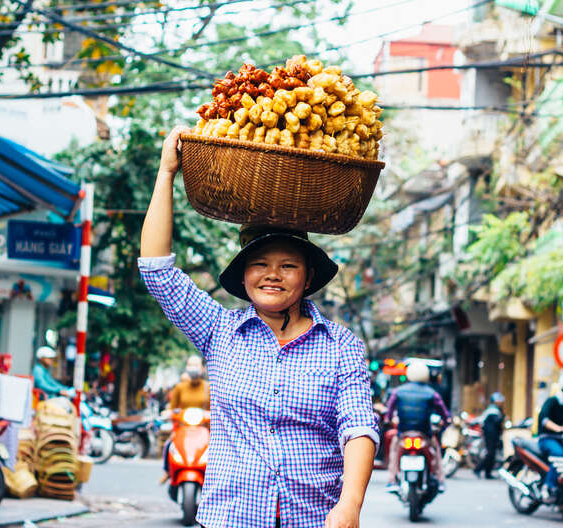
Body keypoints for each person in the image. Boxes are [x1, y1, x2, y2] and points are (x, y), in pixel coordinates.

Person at [139, 127, 378, 528]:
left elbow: (358, 427)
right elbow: (156, 270)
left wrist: (350, 504)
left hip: (313, 520)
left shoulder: (342, 346)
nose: (272, 276)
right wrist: (166, 174)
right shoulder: (219, 330)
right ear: (244, 275)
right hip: (229, 519)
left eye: (288, 266)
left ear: (307, 277)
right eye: (260, 265)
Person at [384, 360, 450, 492]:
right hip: (424, 434)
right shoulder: (432, 393)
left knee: (394, 451)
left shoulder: (398, 392)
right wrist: (446, 421)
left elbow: (388, 412)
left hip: (403, 433)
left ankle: (391, 480)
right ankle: (440, 479)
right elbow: (444, 413)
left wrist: (388, 420)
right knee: (435, 451)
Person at [536, 373, 563, 501]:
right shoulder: (552, 401)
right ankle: (549, 487)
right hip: (546, 439)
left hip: (559, 440)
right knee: (559, 454)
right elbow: (544, 420)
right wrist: (561, 428)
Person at [474, 392, 505, 479]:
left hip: (492, 436)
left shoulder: (495, 410)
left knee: (492, 454)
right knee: (490, 454)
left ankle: (487, 473)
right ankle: (478, 469)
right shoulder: (493, 411)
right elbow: (496, 424)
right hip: (491, 436)